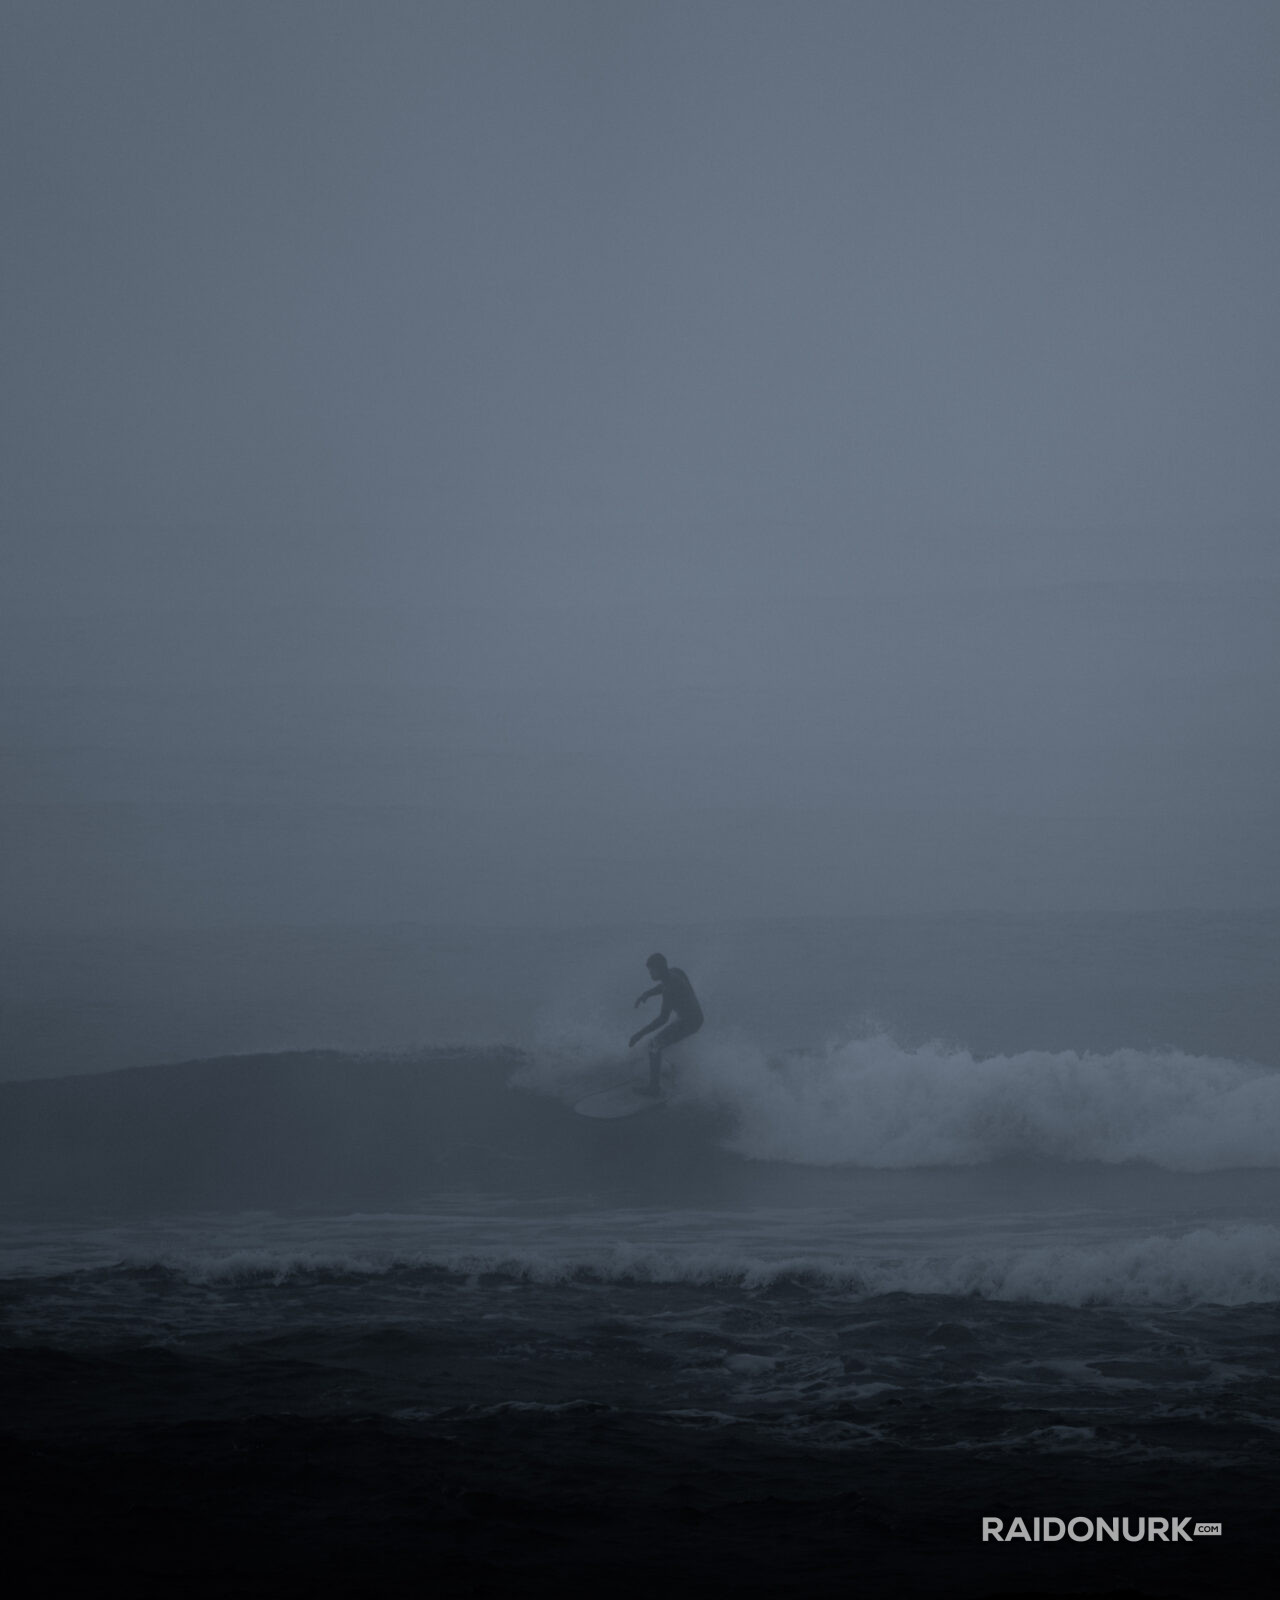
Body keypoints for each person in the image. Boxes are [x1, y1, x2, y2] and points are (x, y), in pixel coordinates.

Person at [629, 952, 703, 1095]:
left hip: (690, 1022)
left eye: (652, 970)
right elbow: (663, 986)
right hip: (694, 1017)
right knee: (662, 1042)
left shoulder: (670, 989)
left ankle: (654, 1089)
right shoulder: (675, 971)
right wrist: (647, 994)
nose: (650, 973)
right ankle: (674, 1071)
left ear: (659, 969)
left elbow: (663, 1019)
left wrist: (638, 1034)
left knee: (654, 1044)